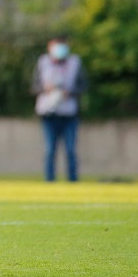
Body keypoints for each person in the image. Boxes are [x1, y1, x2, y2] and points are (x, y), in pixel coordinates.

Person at [31, 34, 87, 182]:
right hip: (49, 114)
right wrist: (46, 89)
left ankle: (73, 180)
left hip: (69, 114)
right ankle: (49, 180)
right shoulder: (42, 62)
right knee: (50, 150)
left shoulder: (75, 63)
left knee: (70, 150)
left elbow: (83, 86)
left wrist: (70, 93)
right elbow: (34, 86)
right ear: (49, 47)